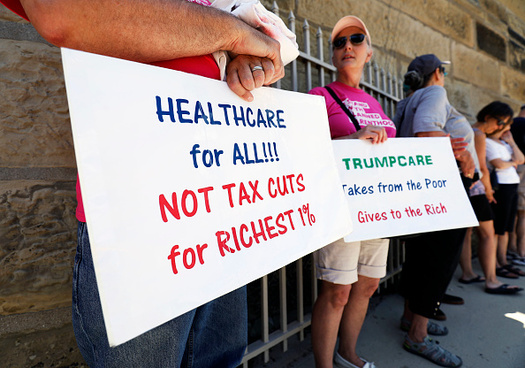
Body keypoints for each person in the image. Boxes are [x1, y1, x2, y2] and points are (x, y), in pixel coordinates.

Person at [1, 0, 288, 366]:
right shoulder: (228, 25)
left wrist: (240, 57)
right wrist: (234, 33)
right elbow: (63, 13)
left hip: (221, 209)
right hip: (142, 217)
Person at [308, 16, 396, 368]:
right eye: (339, 42)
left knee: (368, 285)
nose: (347, 47)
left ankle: (348, 354)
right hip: (341, 207)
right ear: (333, 56)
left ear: (369, 53)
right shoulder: (320, 96)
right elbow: (305, 148)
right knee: (337, 292)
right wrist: (351, 140)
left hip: (379, 207)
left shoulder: (375, 103)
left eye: (356, 39)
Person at [395, 54, 478, 368]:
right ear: (438, 73)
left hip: (421, 188)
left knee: (420, 257)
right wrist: (466, 158)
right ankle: (418, 334)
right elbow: (426, 133)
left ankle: (409, 318)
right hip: (443, 186)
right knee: (440, 261)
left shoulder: (408, 101)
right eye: (443, 71)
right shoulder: (435, 93)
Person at [459, 101, 523, 294]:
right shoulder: (478, 134)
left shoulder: (467, 129)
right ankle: (492, 280)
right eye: (501, 123)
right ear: (488, 117)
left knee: (467, 233)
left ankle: (468, 273)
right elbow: (483, 168)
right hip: (477, 187)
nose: (500, 128)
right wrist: (488, 191)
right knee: (488, 233)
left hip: (464, 185)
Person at [486, 116, 525, 279]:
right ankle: (495, 263)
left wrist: (511, 142)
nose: (508, 129)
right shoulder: (488, 142)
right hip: (501, 187)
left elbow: (521, 159)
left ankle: (503, 262)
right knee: (497, 229)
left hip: (512, 186)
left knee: (506, 229)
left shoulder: (505, 144)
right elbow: (499, 164)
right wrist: (511, 163)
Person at [509, 104, 525, 265]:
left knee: (514, 213)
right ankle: (521, 252)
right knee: (522, 214)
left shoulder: (512, 123)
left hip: (511, 171)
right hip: (521, 169)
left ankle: (513, 249)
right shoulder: (521, 124)